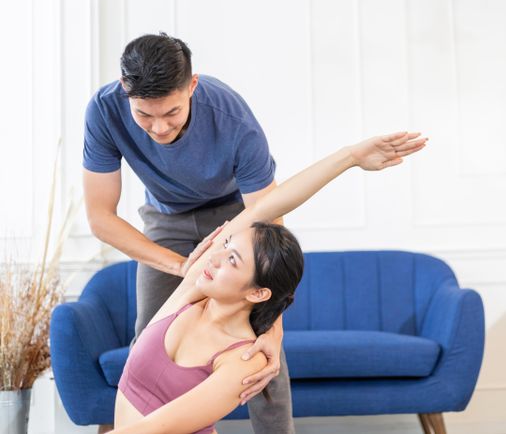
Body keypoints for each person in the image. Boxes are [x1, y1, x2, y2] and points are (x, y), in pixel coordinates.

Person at [109, 132, 427, 434]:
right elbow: (269, 205)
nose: (215, 258)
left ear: (258, 292)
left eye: (233, 259)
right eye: (226, 246)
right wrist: (350, 156)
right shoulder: (193, 292)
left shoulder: (244, 360)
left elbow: (155, 428)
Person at [83, 33, 290, 433]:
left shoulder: (233, 118)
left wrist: (273, 331)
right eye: (144, 115)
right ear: (126, 92)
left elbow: (271, 234)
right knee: (150, 336)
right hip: (166, 220)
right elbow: (100, 218)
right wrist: (185, 268)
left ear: (192, 85)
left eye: (172, 112)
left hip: (237, 216)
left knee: (262, 355)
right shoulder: (104, 111)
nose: (159, 127)